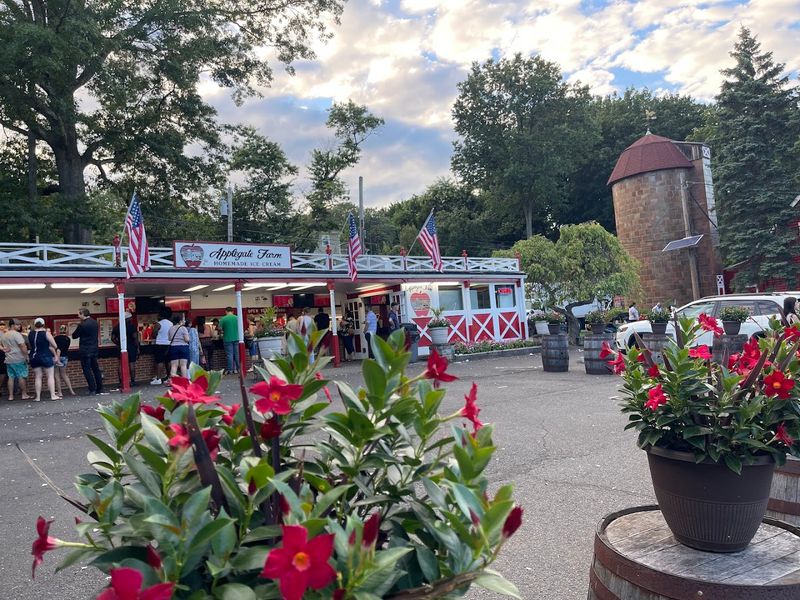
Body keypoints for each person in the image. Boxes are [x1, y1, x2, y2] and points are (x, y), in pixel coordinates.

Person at [72, 308, 107, 395]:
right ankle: (100, 388)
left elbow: (74, 336)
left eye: (79, 314)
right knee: (96, 369)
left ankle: (92, 388)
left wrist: (78, 326)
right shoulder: (94, 322)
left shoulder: (82, 325)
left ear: (83, 314)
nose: (78, 316)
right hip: (94, 349)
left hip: (85, 350)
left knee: (87, 370)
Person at [28, 318, 59, 401]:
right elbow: (55, 345)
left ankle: (38, 397)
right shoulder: (46, 333)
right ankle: (53, 395)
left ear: (35, 325)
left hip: (34, 357)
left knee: (38, 377)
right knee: (50, 376)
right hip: (45, 356)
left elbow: (31, 346)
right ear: (43, 324)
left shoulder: (30, 333)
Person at [3, 319, 31, 400]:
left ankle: (11, 396)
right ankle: (24, 394)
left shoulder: (5, 335)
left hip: (8, 359)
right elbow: (23, 346)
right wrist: (26, 357)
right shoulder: (17, 334)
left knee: (11, 377)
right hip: (18, 358)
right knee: (21, 376)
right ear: (12, 325)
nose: (19, 326)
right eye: (17, 325)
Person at [112, 312, 140, 386]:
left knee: (120, 364)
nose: (131, 319)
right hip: (131, 347)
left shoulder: (117, 326)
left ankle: (121, 382)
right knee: (132, 364)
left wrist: (118, 343)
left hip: (121, 347)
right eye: (130, 318)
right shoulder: (131, 327)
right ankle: (133, 381)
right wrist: (137, 347)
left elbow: (113, 338)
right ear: (128, 319)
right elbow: (135, 338)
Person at [151, 308, 173, 385]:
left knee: (159, 361)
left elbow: (154, 334)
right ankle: (169, 376)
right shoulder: (171, 324)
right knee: (168, 361)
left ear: (161, 315)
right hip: (169, 344)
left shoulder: (158, 324)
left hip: (160, 344)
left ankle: (159, 378)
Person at [54, 325, 75, 396]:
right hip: (65, 357)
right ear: (66, 330)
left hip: (57, 357)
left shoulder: (56, 338)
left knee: (56, 375)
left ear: (59, 330)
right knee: (64, 374)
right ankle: (71, 390)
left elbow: (56, 348)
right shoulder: (68, 339)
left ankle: (60, 392)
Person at [167, 314, 190, 378]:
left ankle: (174, 380)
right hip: (183, 347)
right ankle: (184, 381)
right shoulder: (183, 328)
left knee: (174, 365)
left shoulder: (171, 329)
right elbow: (187, 339)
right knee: (183, 365)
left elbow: (169, 339)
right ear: (180, 321)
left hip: (173, 347)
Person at [218, 307, 240, 375]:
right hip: (237, 338)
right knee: (237, 354)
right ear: (232, 311)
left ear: (226, 311)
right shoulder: (237, 318)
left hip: (227, 338)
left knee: (229, 355)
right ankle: (238, 369)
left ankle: (230, 370)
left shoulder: (223, 318)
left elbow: (219, 328)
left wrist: (223, 330)